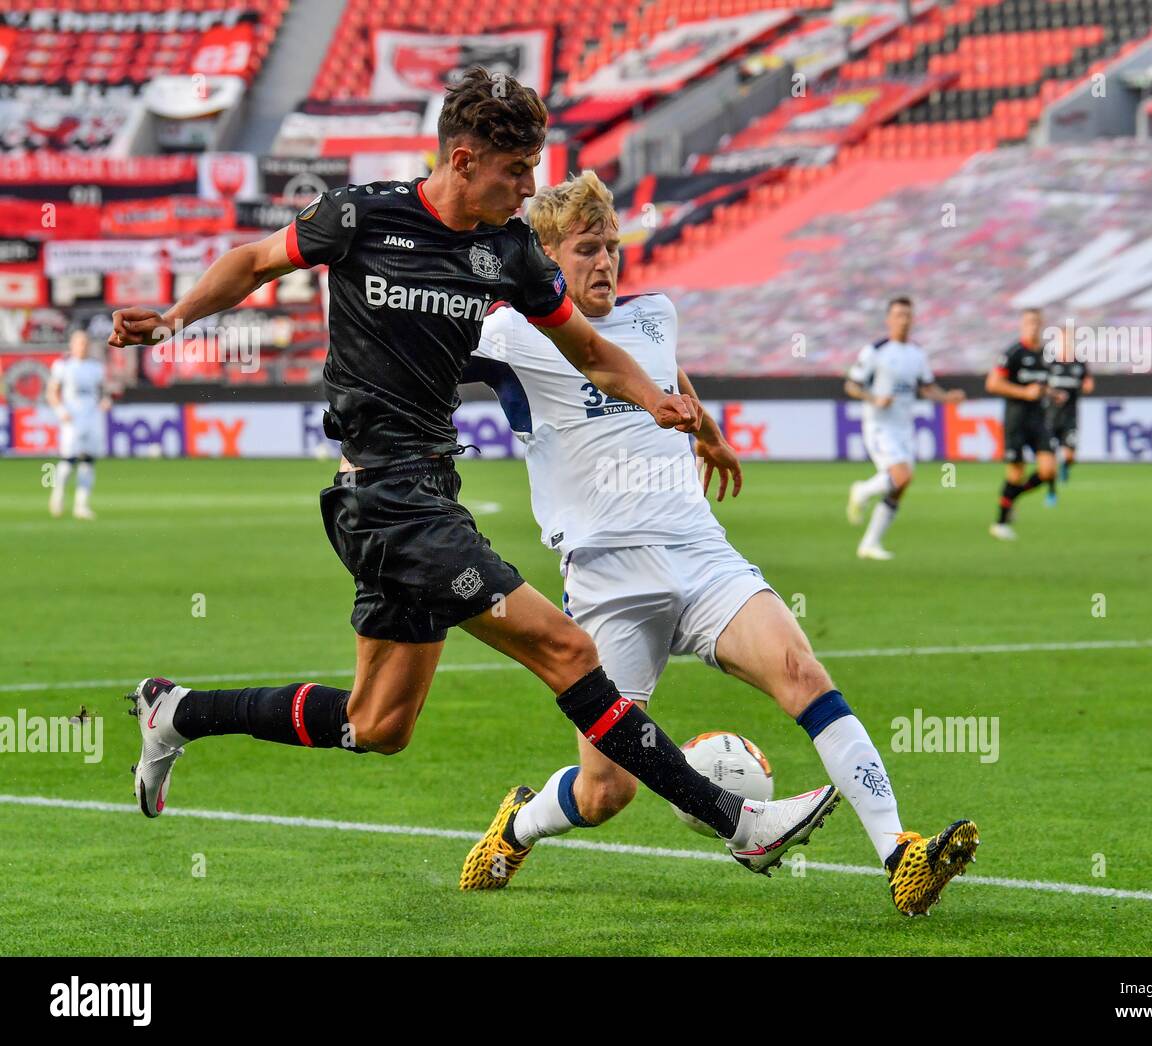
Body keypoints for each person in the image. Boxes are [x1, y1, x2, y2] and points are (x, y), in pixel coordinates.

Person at [108, 68, 838, 878]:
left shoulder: (511, 252)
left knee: (377, 724)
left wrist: (659, 400)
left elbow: (589, 350)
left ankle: (174, 712)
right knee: (567, 650)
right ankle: (737, 821)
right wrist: (174, 320)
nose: (530, 187)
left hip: (429, 490)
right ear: (463, 161)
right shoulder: (360, 215)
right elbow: (252, 262)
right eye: (515, 171)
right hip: (384, 500)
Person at [460, 172, 978, 915]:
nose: (606, 262)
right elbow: (425, 352)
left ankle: (903, 854)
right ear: (544, 258)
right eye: (586, 250)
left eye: (612, 247)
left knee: (802, 670)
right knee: (608, 790)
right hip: (608, 581)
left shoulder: (654, 316)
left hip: (700, 554)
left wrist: (710, 433)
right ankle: (520, 824)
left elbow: (665, 372)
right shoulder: (508, 335)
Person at [844, 297, 964, 560]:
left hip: (903, 427)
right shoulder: (875, 351)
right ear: (888, 319)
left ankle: (870, 544)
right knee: (902, 475)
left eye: (908, 315)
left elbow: (926, 386)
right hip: (879, 425)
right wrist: (875, 399)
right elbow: (852, 385)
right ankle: (862, 491)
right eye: (898, 315)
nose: (903, 320)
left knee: (899, 486)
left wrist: (947, 398)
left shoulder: (917, 354)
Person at [986, 308, 1059, 540]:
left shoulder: (1046, 355)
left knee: (1048, 470)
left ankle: (1012, 498)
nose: (1033, 326)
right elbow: (993, 384)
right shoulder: (1013, 353)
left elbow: (1040, 386)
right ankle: (1000, 522)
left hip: (1038, 420)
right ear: (1022, 325)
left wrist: (1051, 393)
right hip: (1016, 420)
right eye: (1029, 322)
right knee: (1015, 474)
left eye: (1037, 322)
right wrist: (1024, 392)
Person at [46, 329, 109, 520]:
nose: (83, 347)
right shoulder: (63, 366)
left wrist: (106, 400)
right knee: (69, 459)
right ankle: (58, 496)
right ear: (72, 345)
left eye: (86, 343)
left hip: (91, 417)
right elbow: (52, 392)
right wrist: (60, 411)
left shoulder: (96, 367)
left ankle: (81, 505)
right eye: (80, 343)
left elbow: (102, 390)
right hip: (71, 418)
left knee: (88, 460)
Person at [1044, 324, 1094, 505]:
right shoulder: (1050, 362)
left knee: (1070, 455)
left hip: (1070, 417)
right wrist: (1052, 393)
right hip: (1049, 417)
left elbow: (1088, 382)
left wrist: (1087, 386)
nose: (1066, 342)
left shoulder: (1079, 363)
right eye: (1063, 339)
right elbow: (1041, 384)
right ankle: (1051, 493)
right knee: (1048, 461)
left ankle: (1065, 466)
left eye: (1069, 339)